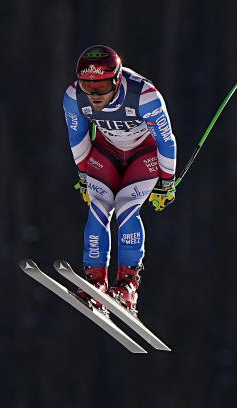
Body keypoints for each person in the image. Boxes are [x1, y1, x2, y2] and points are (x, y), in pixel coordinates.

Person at [62, 44, 178, 315]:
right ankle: (94, 282)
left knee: (126, 209)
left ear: (117, 79)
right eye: (88, 87)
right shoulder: (74, 96)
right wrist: (82, 176)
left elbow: (166, 140)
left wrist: (167, 184)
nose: (94, 95)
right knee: (99, 208)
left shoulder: (145, 96)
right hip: (107, 151)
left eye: (102, 87)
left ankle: (127, 287)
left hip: (144, 155)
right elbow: (77, 136)